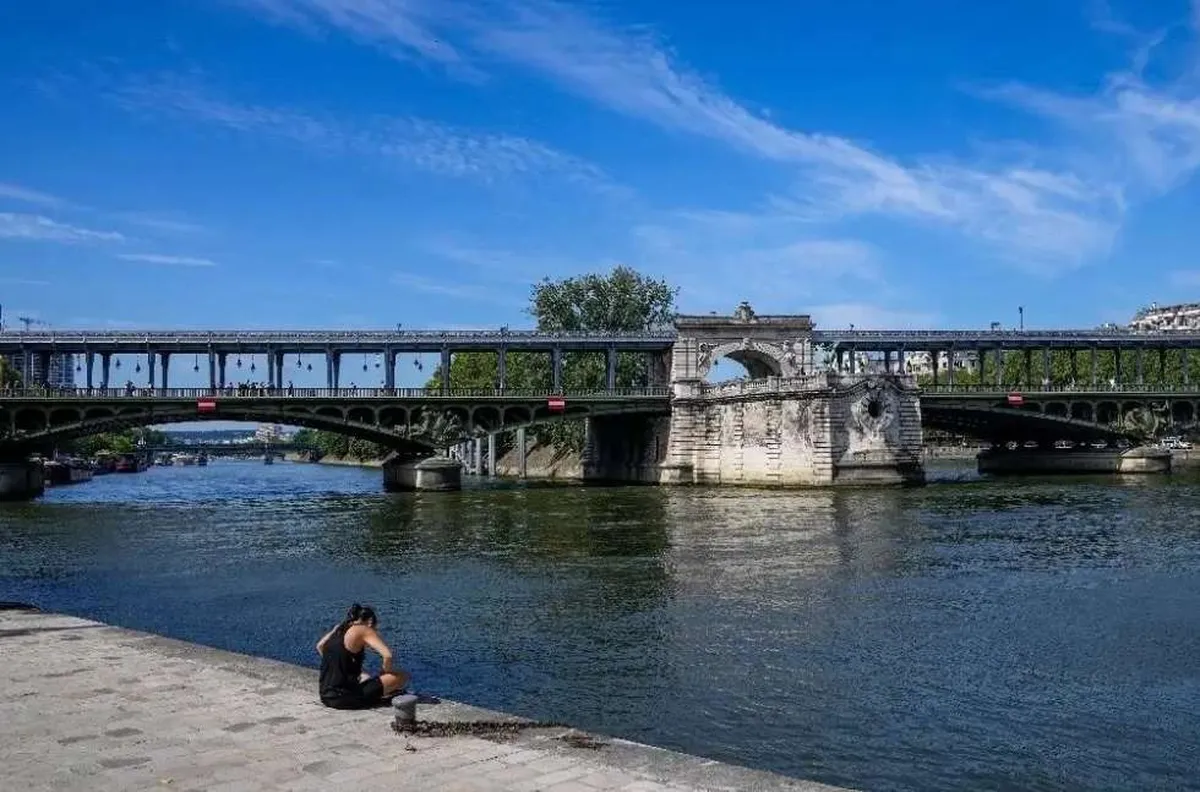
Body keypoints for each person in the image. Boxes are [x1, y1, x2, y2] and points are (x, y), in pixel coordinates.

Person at [317, 603, 409, 710]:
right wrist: (386, 672)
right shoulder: (363, 629)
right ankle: (384, 694)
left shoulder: (339, 628)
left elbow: (320, 646)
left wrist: (339, 666)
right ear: (370, 622)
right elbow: (388, 655)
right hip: (346, 699)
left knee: (365, 676)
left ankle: (376, 691)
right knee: (401, 676)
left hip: (326, 696)